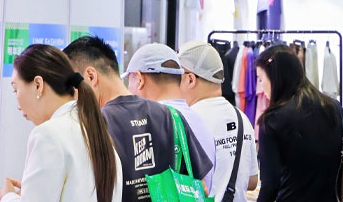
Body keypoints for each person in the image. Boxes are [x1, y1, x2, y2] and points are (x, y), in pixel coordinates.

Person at [63, 36, 214, 202]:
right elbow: (202, 188)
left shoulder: (92, 125)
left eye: (73, 87)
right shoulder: (171, 116)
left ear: (91, 76)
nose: (73, 96)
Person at [0, 44, 122, 202]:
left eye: (16, 90)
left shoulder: (48, 134)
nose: (18, 106)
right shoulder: (97, 132)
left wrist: (7, 197)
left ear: (38, 85)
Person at [255, 44, 343, 202]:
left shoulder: (272, 121)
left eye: (260, 79)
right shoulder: (335, 108)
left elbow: (270, 185)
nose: (260, 86)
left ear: (274, 77)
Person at [126, 43, 217, 192]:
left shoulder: (149, 122)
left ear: (140, 79)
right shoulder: (200, 120)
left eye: (129, 80)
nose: (128, 89)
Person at [177, 41, 259, 202]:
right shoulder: (242, 118)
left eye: (176, 77)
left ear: (190, 79)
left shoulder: (186, 121)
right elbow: (252, 181)